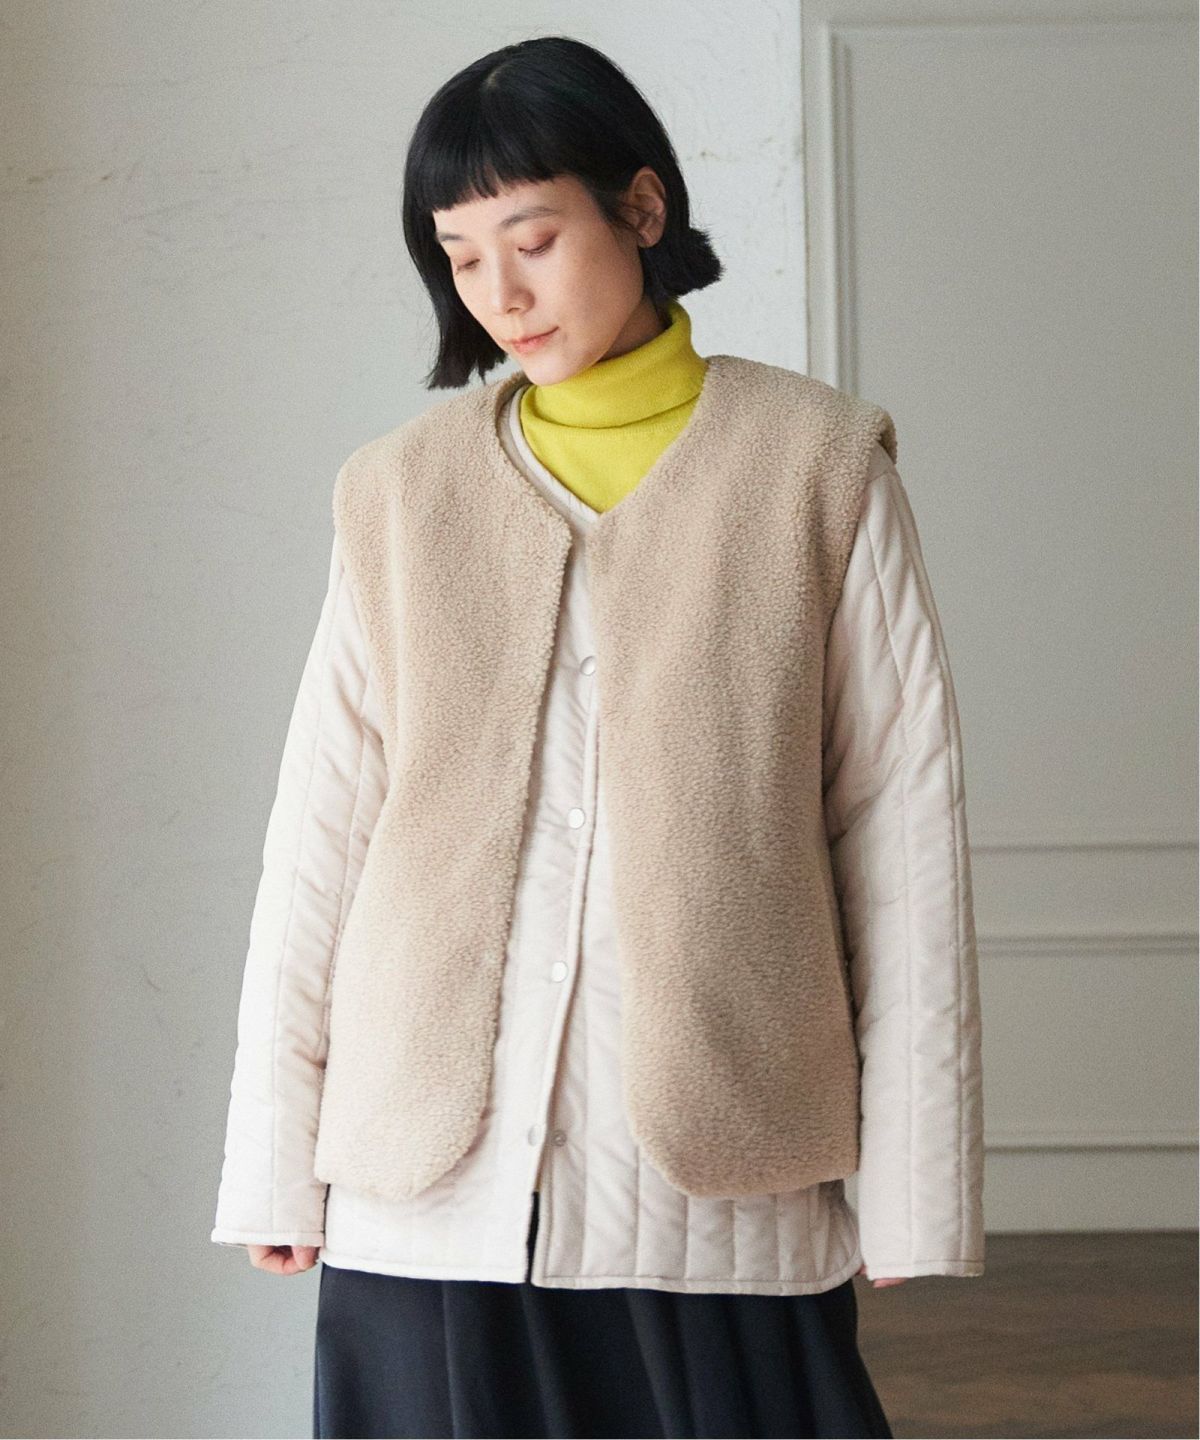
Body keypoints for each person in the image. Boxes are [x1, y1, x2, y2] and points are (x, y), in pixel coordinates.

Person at [210, 34, 984, 1440]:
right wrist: (274, 1156)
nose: (499, 294)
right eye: (459, 257)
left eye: (533, 239)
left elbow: (900, 841)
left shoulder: (818, 467)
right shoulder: (397, 494)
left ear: (641, 208)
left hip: (717, 1191)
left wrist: (913, 1183)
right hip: (425, 1197)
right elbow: (322, 840)